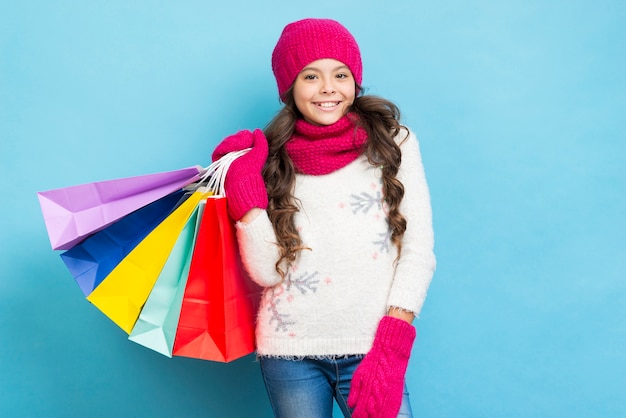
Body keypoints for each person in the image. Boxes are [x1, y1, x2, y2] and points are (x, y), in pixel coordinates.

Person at [212, 18, 436, 418]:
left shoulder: (393, 143)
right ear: (290, 88)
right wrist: (245, 197)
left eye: (341, 74)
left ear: (355, 80)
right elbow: (266, 273)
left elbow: (418, 248)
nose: (328, 88)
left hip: (372, 342)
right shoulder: (270, 158)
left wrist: (394, 334)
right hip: (289, 350)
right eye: (311, 76)